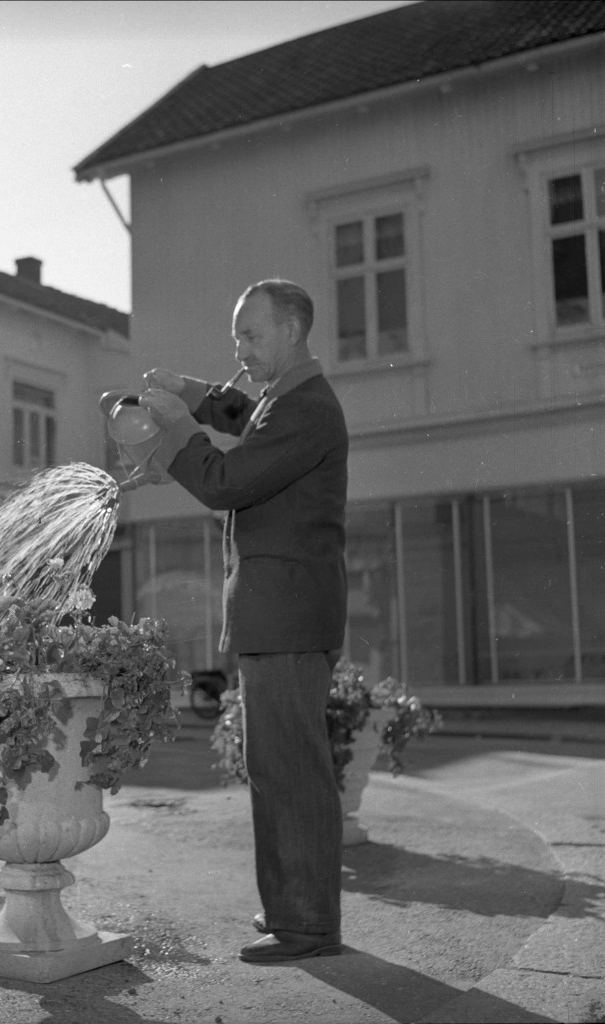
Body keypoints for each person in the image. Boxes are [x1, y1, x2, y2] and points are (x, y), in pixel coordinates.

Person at [136, 279, 349, 965]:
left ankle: (308, 926)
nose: (240, 348)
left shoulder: (307, 410)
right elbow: (246, 415)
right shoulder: (288, 402)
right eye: (236, 338)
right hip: (276, 616)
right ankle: (291, 910)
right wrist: (191, 391)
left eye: (251, 336)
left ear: (290, 330)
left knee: (290, 772)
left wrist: (173, 428)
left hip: (286, 618)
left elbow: (227, 480)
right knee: (273, 768)